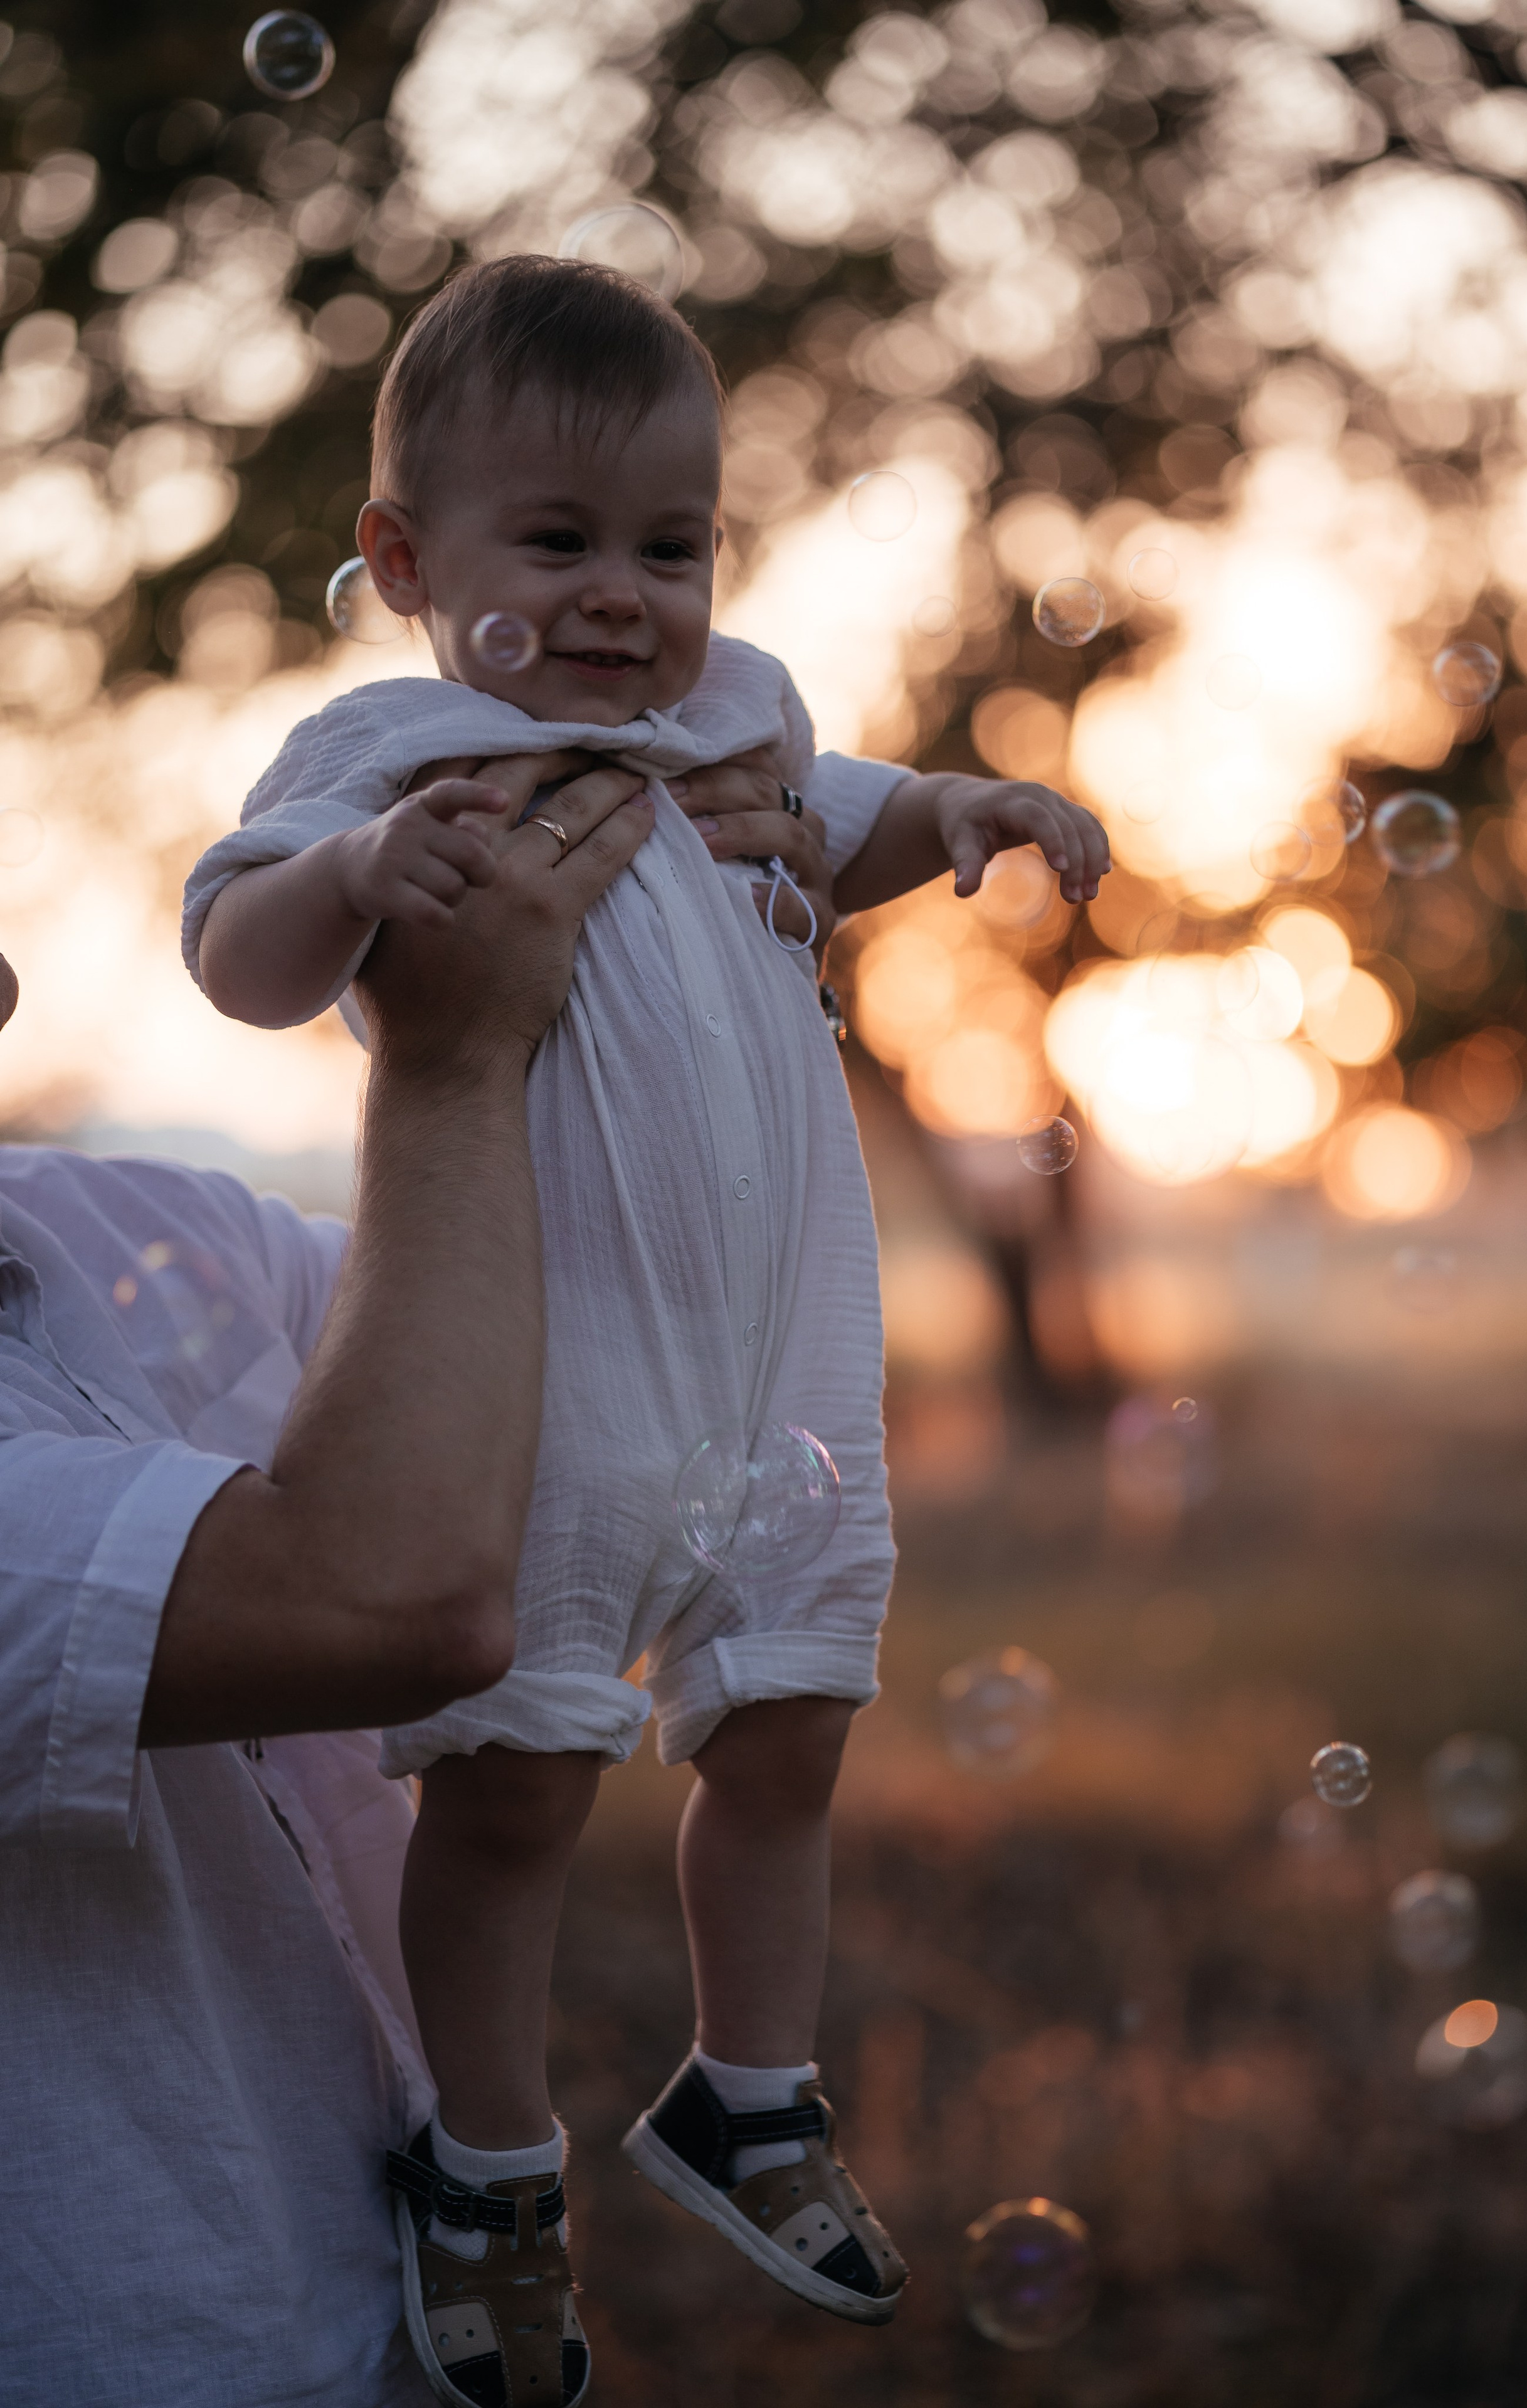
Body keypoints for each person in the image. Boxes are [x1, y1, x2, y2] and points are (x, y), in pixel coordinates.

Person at [183, 253, 1110, 2407]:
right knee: (512, 1778)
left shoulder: (738, 714)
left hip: (779, 1356)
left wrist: (957, 814)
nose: (626, 596)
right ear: (407, 562)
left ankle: (746, 2089)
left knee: (789, 1718)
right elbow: (237, 944)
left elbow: (853, 823)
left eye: (673, 545)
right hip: (545, 1363)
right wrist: (362, 881)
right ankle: (487, 2166)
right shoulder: (397, 746)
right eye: (562, 541)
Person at [0, 764, 659, 2407]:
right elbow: (402, 1594)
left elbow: (568, 1353)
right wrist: (443, 1056)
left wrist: (696, 961)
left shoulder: (127, 1232)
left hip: (397, 2332)